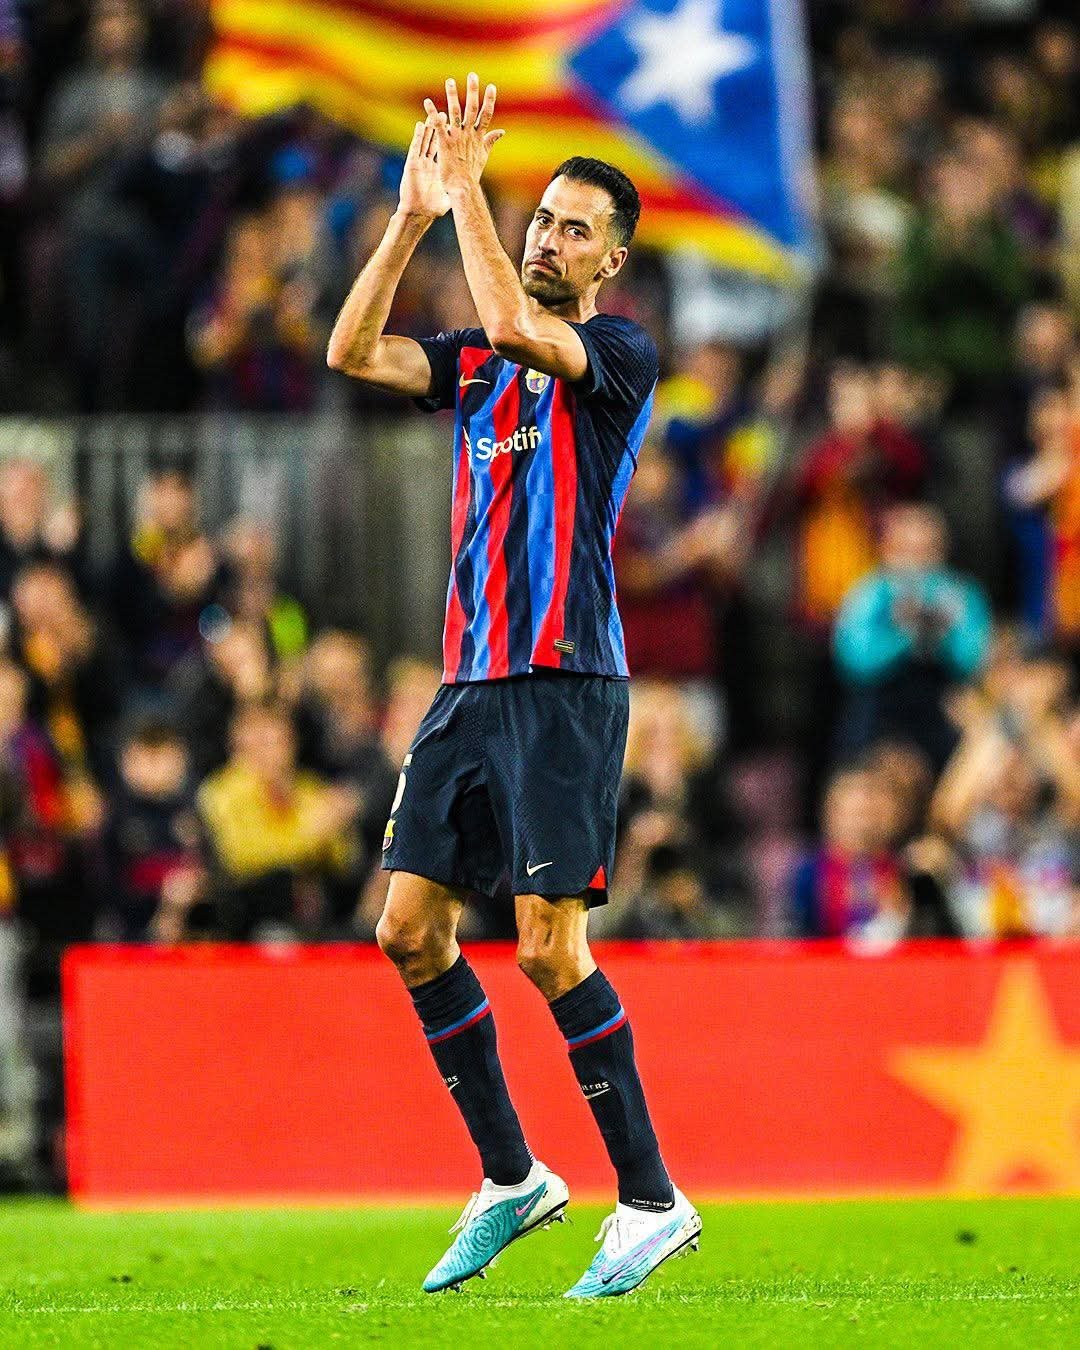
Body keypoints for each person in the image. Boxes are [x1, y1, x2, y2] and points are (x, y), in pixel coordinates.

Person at [326, 74, 700, 1298]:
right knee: (407, 930)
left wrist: (470, 198)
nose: (547, 239)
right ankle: (512, 1178)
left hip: (563, 681)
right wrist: (410, 216)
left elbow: (520, 323)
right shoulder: (476, 362)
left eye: (572, 229)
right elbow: (350, 351)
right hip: (467, 682)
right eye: (542, 219)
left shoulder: (616, 355)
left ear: (611, 263)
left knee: (548, 947)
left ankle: (651, 1200)